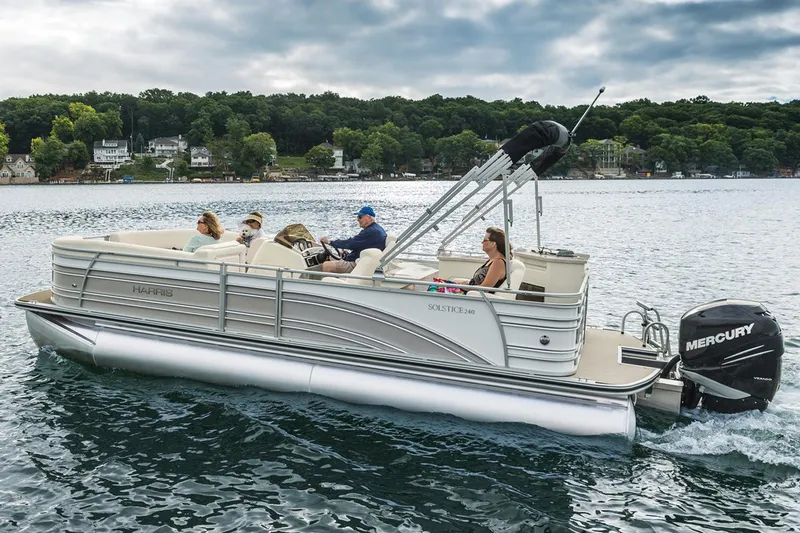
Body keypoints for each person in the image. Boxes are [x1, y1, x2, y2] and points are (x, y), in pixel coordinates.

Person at [317, 205, 387, 274]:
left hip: (358, 264)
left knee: (326, 266)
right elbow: (360, 245)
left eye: (360, 217)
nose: (358, 219)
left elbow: (350, 243)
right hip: (363, 260)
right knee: (331, 258)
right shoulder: (377, 229)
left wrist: (330, 242)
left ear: (368, 217)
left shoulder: (371, 231)